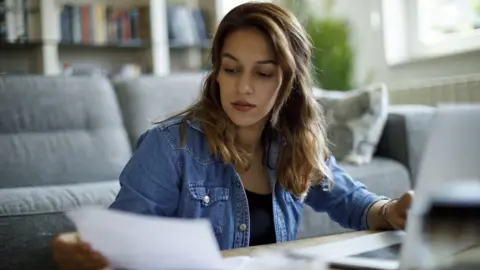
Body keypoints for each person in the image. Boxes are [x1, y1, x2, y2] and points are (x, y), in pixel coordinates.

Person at [52, 2, 414, 269]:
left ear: (289, 82)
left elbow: (353, 203)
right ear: (217, 74)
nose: (242, 87)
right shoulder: (169, 146)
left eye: (263, 73)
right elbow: (118, 241)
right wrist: (79, 250)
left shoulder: (292, 144)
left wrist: (393, 211)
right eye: (231, 68)